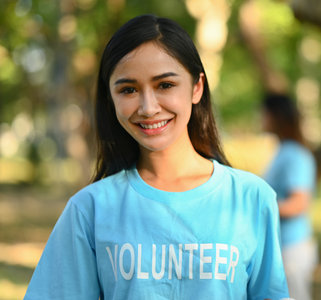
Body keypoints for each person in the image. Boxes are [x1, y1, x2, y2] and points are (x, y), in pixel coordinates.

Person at [24, 14, 289, 299]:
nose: (148, 108)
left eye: (165, 85)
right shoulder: (89, 209)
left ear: (196, 87)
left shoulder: (252, 198)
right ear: (110, 97)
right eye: (128, 90)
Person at [262, 93, 318, 300]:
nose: (259, 118)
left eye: (263, 114)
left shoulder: (295, 154)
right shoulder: (282, 151)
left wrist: (259, 207)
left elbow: (299, 203)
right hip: (282, 247)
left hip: (292, 248)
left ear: (276, 116)